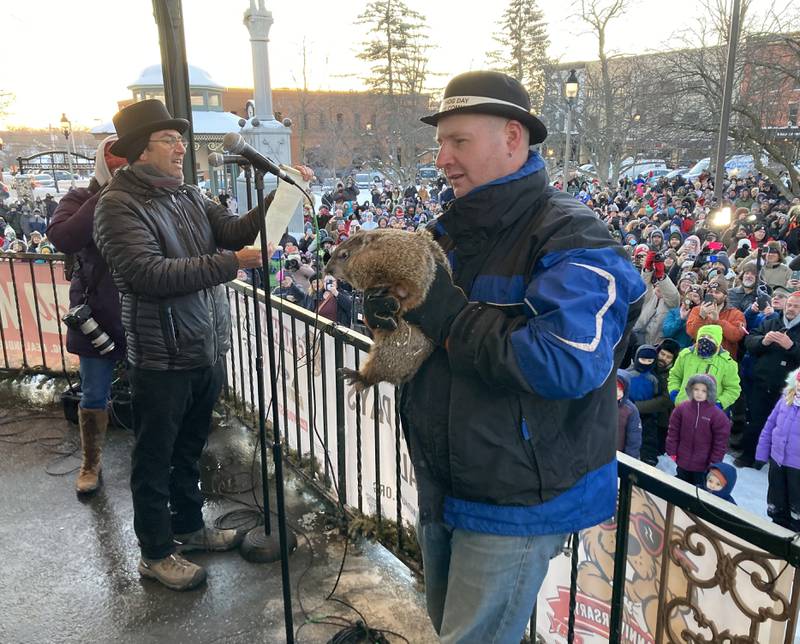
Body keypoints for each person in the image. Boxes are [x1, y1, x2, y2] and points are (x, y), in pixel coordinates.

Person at [362, 71, 645, 643]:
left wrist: (445, 317)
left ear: (513, 137)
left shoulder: (571, 234)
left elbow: (566, 362)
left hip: (515, 497)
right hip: (448, 482)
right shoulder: (453, 228)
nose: (442, 158)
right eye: (439, 143)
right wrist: (390, 316)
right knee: (451, 628)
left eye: (458, 141)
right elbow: (433, 332)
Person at [94, 99, 312, 591]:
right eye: (169, 140)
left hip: (203, 347)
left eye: (179, 139)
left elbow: (232, 231)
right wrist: (231, 262)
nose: (180, 147)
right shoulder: (117, 206)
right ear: (138, 151)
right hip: (161, 356)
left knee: (189, 450)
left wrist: (279, 196)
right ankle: (154, 552)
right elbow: (146, 274)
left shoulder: (186, 194)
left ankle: (189, 529)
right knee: (155, 458)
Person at [47, 135, 128, 494]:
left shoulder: (142, 198)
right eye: (113, 156)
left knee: (157, 393)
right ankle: (90, 464)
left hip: (142, 313)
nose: (120, 162)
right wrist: (106, 193)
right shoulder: (81, 197)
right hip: (98, 312)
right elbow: (63, 237)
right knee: (94, 393)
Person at [739, 292, 800, 468]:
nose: (791, 308)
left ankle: (775, 462)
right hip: (763, 382)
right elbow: (749, 340)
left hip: (790, 391)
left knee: (782, 428)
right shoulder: (772, 321)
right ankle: (748, 457)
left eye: (796, 306)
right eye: (789, 304)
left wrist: (792, 347)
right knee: (756, 422)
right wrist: (763, 341)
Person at [666, 374, 731, 485]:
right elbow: (673, 431)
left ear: (710, 392)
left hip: (703, 465)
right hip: (682, 460)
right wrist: (672, 450)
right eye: (696, 389)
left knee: (699, 489)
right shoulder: (682, 409)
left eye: (704, 391)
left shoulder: (717, 416)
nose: (699, 393)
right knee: (681, 486)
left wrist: (714, 462)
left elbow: (720, 443)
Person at [756, 369, 800, 530]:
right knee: (777, 498)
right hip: (778, 460)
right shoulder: (785, 399)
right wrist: (762, 452)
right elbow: (770, 425)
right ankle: (776, 526)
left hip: (797, 467)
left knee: (796, 503)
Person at [668, 324, 741, 411]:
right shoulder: (685, 355)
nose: (705, 339)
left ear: (718, 342)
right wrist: (674, 393)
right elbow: (675, 376)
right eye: (702, 336)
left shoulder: (727, 363)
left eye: (710, 337)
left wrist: (720, 404)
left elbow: (732, 389)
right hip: (683, 408)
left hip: (709, 413)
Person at [685, 278, 746, 359]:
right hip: (699, 357)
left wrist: (718, 321)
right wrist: (701, 317)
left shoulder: (736, 314)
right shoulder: (697, 310)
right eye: (710, 292)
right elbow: (691, 333)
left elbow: (736, 336)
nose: (713, 295)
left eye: (717, 292)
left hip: (723, 360)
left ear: (725, 295)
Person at [616, 370, 642, 458]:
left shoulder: (630, 410)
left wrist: (631, 458)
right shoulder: (598, 404)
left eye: (620, 389)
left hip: (619, 454)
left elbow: (634, 437)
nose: (616, 392)